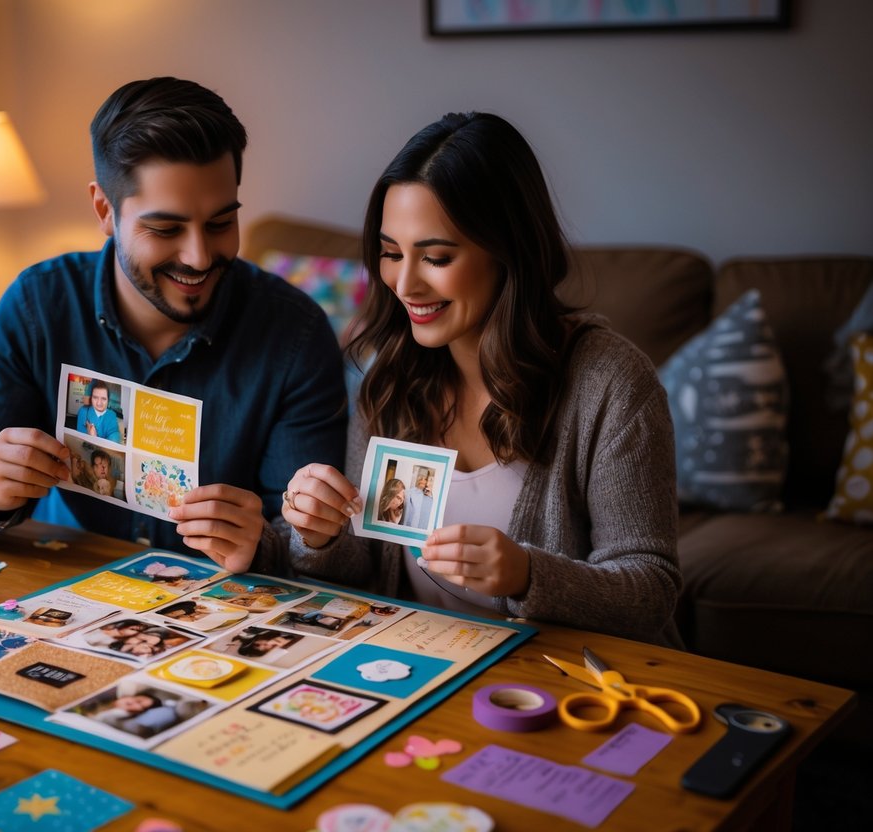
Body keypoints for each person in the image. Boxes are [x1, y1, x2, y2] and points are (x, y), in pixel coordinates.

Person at [279, 112, 682, 647]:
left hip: (572, 685)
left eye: (437, 257)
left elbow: (651, 590)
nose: (404, 284)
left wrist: (528, 575)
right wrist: (321, 534)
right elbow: (369, 564)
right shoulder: (390, 375)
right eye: (391, 253)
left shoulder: (610, 383)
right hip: (430, 671)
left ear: (508, 250)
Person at [0, 77, 346, 573]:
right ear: (105, 210)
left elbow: (308, 542)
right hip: (66, 592)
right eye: (165, 229)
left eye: (219, 223)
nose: (199, 256)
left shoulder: (295, 334)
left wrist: (265, 543)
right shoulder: (39, 306)